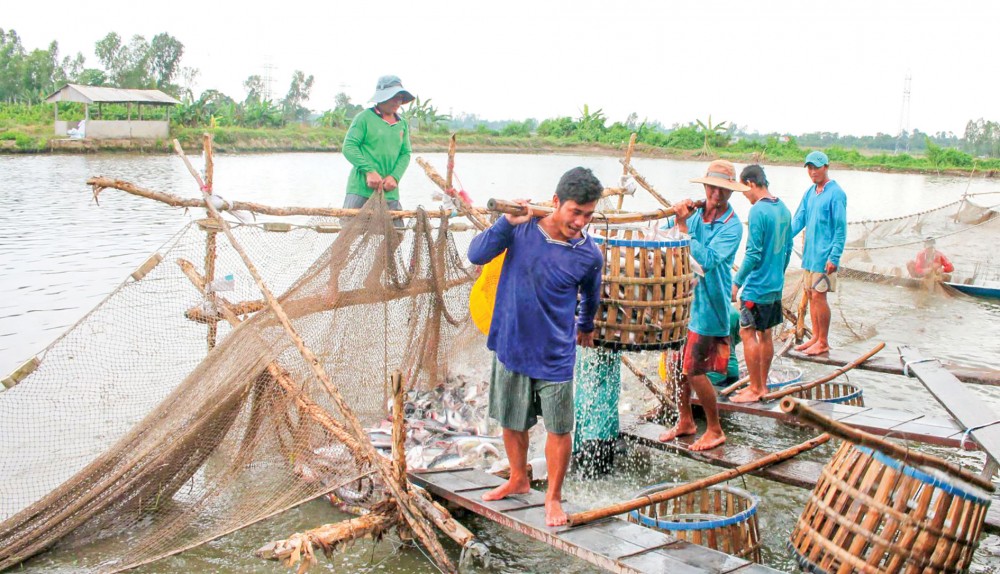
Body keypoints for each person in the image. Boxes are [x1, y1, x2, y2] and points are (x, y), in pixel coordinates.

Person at [467, 167, 604, 526]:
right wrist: (506, 223)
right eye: (575, 211)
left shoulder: (589, 254)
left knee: (559, 428)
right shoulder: (522, 229)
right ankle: (517, 477)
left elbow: (591, 298)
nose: (580, 222)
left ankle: (553, 499)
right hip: (512, 343)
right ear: (556, 202)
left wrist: (586, 327)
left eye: (588, 215)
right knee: (512, 420)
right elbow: (476, 254)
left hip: (555, 352)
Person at [658, 159, 746, 451]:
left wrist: (683, 226)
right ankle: (685, 421)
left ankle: (716, 429)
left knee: (695, 370)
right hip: (684, 305)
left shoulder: (732, 227)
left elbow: (706, 260)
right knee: (675, 366)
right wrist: (676, 217)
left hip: (709, 307)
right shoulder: (696, 215)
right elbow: (663, 231)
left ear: (731, 192)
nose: (716, 195)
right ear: (705, 186)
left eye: (723, 190)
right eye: (712, 188)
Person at [730, 165, 793, 403]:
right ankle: (762, 386)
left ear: (750, 183)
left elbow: (753, 253)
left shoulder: (758, 212)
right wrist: (778, 274)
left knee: (747, 333)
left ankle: (755, 388)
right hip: (775, 286)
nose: (744, 195)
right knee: (765, 334)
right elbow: (787, 251)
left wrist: (737, 282)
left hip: (757, 287)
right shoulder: (783, 209)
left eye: (744, 189)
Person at [790, 151, 847, 356]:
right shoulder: (810, 193)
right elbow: (799, 219)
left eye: (817, 167)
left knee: (819, 296)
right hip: (810, 255)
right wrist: (782, 236)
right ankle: (814, 337)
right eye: (810, 168)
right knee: (810, 295)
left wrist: (835, 256)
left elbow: (840, 228)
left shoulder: (836, 193)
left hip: (825, 256)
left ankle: (823, 341)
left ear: (826, 167)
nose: (813, 171)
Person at [341, 75, 414, 226]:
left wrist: (395, 177)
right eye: (394, 97)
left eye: (400, 98)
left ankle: (382, 252)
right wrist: (369, 171)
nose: (397, 102)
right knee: (347, 234)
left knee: (398, 233)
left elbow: (405, 154)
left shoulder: (402, 124)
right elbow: (349, 147)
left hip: (389, 191)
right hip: (361, 189)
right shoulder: (364, 118)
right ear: (382, 97)